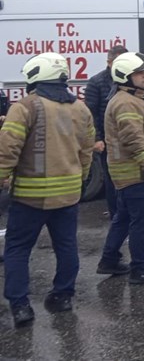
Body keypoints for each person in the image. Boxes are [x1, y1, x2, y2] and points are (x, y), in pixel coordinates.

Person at [0, 53, 95, 327]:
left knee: (18, 250)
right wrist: (80, 179)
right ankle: (62, 297)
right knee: (66, 247)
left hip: (30, 196)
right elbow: (86, 152)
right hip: (68, 195)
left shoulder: (26, 106)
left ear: (34, 76)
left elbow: (8, 148)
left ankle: (20, 307)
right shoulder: (81, 109)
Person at [97, 52, 144, 285]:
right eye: (140, 72)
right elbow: (133, 138)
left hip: (126, 170)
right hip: (133, 171)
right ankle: (140, 269)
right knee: (142, 221)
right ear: (125, 76)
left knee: (124, 218)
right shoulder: (126, 102)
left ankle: (109, 260)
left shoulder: (129, 98)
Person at [85, 45, 144, 231]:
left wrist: (142, 106)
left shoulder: (136, 83)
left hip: (134, 138)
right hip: (109, 140)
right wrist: (96, 138)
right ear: (109, 63)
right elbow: (90, 114)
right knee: (115, 184)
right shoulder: (96, 82)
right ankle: (118, 217)